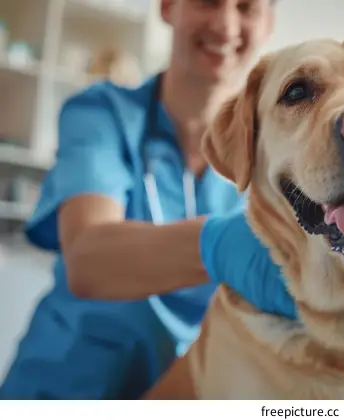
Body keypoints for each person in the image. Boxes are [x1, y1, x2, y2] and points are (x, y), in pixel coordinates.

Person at [0, 0, 295, 400]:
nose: (226, 26)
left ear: (268, 24)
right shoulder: (104, 114)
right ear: (168, 7)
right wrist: (218, 243)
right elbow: (88, 259)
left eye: (246, 7)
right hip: (62, 387)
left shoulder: (277, 156)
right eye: (208, 2)